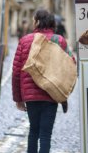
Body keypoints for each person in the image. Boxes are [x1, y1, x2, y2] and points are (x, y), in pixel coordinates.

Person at [12, 9, 73, 153]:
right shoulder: (60, 41)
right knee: (45, 135)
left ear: (38, 21)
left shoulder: (25, 40)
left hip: (30, 96)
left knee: (33, 132)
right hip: (51, 93)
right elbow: (71, 65)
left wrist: (18, 99)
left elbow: (16, 72)